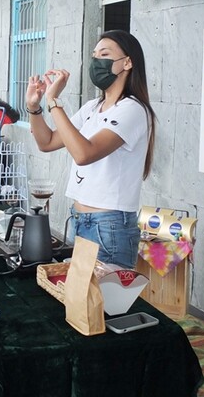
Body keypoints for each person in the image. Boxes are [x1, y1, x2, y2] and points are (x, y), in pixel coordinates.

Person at [25, 29, 156, 269]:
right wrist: (34, 107)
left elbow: (84, 153)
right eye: (94, 55)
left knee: (106, 303)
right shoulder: (93, 107)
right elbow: (47, 142)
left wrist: (54, 102)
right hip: (81, 218)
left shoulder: (133, 110)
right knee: (83, 301)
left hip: (110, 223)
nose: (96, 61)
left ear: (127, 62)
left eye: (104, 54)